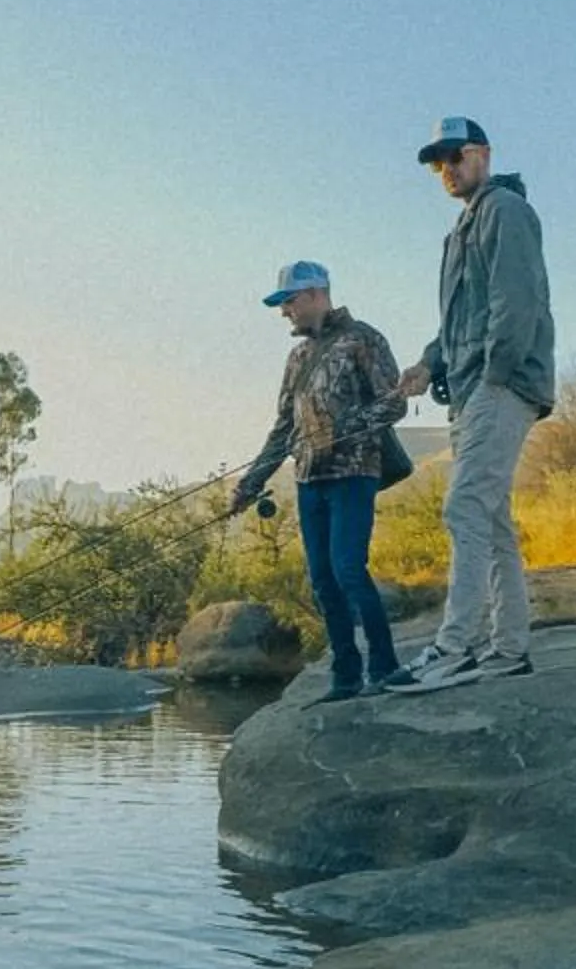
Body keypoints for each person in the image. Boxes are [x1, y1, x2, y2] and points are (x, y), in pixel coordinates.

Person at [392, 117, 555, 691]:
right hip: (469, 386)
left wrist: (495, 376)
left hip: (498, 385)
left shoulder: (503, 210)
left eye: (455, 158)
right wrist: (427, 364)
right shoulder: (463, 228)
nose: (446, 170)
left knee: (463, 508)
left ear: (482, 154)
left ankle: (453, 649)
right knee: (491, 520)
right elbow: (460, 320)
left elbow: (517, 299)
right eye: (438, 164)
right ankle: (509, 650)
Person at [229, 261, 411, 702]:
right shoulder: (297, 358)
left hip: (354, 474)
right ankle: (345, 677)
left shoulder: (363, 339)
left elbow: (395, 403)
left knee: (349, 569)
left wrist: (345, 427)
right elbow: (283, 428)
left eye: (288, 301)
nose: (284, 312)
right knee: (322, 580)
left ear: (315, 294)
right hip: (309, 478)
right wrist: (250, 483)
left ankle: (386, 668)